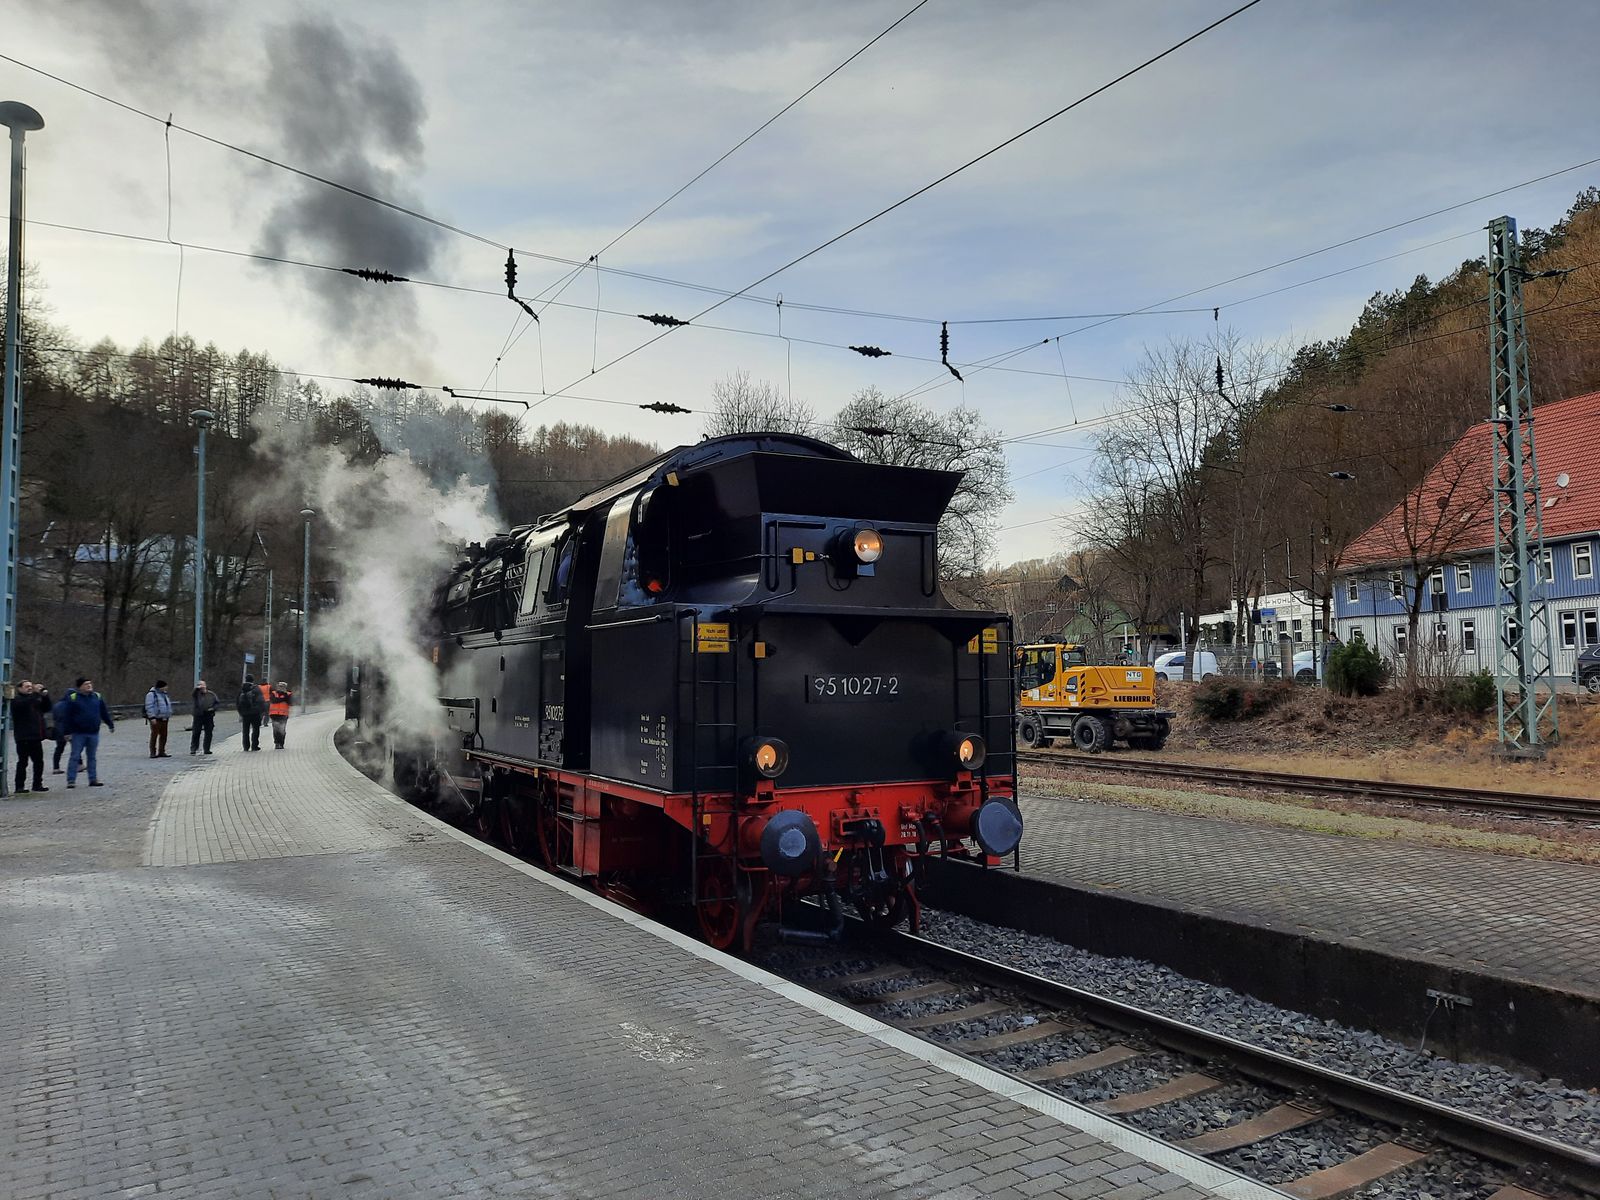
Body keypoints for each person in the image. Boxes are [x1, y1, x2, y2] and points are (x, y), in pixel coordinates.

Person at [59, 677, 114, 789]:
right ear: (80, 687)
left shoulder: (97, 697)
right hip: (78, 733)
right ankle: (71, 780)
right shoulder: (73, 698)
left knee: (92, 757)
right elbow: (67, 716)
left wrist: (110, 724)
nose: (89, 686)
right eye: (86, 684)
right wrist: (67, 732)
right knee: (75, 756)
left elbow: (103, 712)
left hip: (93, 732)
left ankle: (93, 779)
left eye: (90, 683)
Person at [10, 680, 49, 794]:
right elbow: (25, 705)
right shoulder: (17, 700)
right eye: (27, 686)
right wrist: (36, 694)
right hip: (23, 737)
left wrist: (45, 696)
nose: (30, 688)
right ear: (19, 688)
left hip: (35, 736)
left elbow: (46, 708)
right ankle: (19, 786)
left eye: (31, 686)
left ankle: (37, 784)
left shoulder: (34, 700)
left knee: (39, 762)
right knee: (23, 762)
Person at [144, 678, 173, 758]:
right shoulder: (151, 695)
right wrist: (152, 717)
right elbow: (149, 706)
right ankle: (152, 752)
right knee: (154, 735)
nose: (166, 688)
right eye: (165, 686)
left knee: (164, 735)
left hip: (164, 717)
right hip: (156, 718)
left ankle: (161, 751)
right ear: (161, 687)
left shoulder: (164, 694)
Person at [236, 674, 266, 751]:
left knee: (245, 731)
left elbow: (237, 702)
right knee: (256, 729)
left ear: (245, 679)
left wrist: (240, 712)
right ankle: (254, 746)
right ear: (253, 680)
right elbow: (261, 701)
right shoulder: (256, 689)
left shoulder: (242, 689)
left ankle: (246, 746)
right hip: (255, 713)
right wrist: (262, 711)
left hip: (245, 714)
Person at [190, 679, 218, 755]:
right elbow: (193, 694)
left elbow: (217, 703)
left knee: (209, 733)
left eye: (202, 685)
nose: (201, 686)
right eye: (200, 685)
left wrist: (213, 708)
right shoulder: (196, 694)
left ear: (205, 685)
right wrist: (197, 688)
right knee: (196, 732)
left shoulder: (211, 694)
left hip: (209, 715)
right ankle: (194, 748)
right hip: (198, 715)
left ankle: (207, 749)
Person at [268, 681, 293, 749]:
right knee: (276, 730)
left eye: (282, 687)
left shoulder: (288, 694)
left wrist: (283, 697)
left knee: (282, 730)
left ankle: (281, 743)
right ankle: (277, 743)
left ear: (285, 688)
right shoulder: (273, 693)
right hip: (274, 714)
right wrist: (283, 699)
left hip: (283, 714)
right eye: (280, 686)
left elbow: (290, 702)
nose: (281, 688)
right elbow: (274, 700)